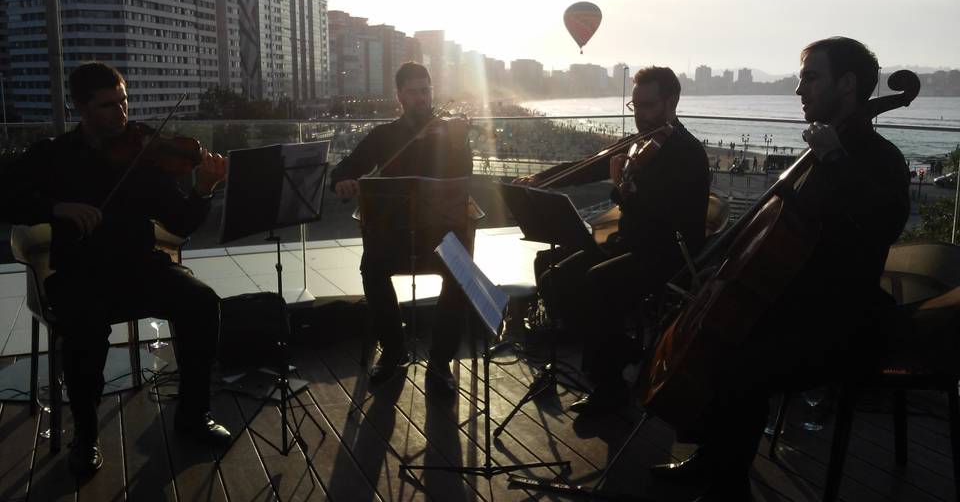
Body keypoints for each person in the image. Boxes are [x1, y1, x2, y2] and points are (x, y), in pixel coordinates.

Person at [649, 37, 911, 501]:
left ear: (848, 85)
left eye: (811, 77)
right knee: (720, 334)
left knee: (736, 357)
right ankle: (713, 462)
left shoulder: (878, 157)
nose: (798, 90)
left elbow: (884, 223)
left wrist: (833, 158)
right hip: (789, 305)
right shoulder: (821, 152)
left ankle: (727, 488)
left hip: (838, 321)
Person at [0, 63, 231, 478]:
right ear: (80, 106)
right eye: (108, 105)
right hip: (80, 271)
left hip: (141, 265)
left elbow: (178, 221)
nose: (121, 112)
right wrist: (56, 208)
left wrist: (203, 189)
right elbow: (4, 197)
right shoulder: (52, 156)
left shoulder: (144, 155)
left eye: (124, 101)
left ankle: (192, 415)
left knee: (201, 302)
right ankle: (85, 436)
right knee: (84, 329)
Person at [518, 66, 710, 414]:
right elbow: (588, 166)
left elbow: (667, 217)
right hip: (631, 243)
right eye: (634, 106)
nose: (639, 116)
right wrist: (539, 180)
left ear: (672, 102)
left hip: (669, 251)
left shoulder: (687, 153)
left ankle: (610, 387)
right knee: (554, 278)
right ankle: (621, 349)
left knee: (598, 281)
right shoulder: (639, 144)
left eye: (647, 106)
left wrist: (626, 192)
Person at [330, 62, 472, 393]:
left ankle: (440, 360)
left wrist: (458, 142)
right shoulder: (383, 136)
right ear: (400, 97)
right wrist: (343, 180)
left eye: (426, 90)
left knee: (461, 270)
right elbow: (347, 166)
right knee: (371, 268)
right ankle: (393, 350)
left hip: (438, 233)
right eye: (414, 92)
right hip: (395, 233)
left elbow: (463, 173)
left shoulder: (449, 133)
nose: (422, 98)